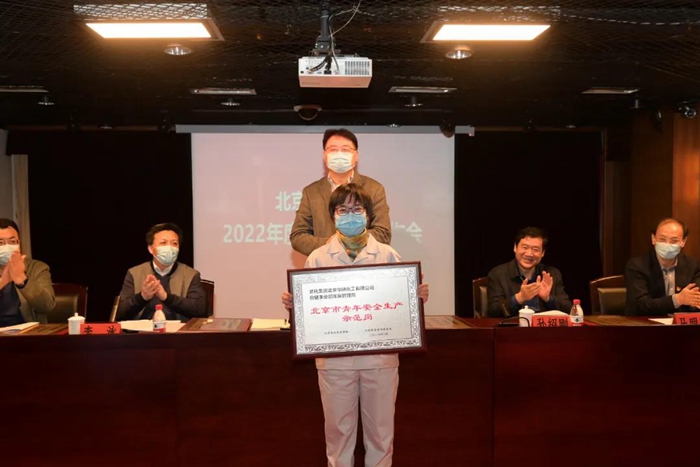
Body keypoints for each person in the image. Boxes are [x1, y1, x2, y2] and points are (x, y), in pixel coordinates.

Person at [282, 183, 428, 467]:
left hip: (380, 360)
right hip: (335, 362)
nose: (350, 216)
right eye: (343, 210)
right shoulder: (318, 257)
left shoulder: (387, 254)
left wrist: (416, 296)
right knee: (338, 437)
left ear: (368, 215)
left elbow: (401, 307)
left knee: (381, 436)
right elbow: (310, 312)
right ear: (333, 216)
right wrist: (295, 304)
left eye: (357, 209)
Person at [290, 128, 392, 256]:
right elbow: (298, 236)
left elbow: (383, 233)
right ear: (324, 156)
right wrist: (330, 244)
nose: (339, 154)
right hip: (326, 262)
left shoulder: (374, 189)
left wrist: (349, 241)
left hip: (365, 262)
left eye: (345, 150)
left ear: (356, 155)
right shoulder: (311, 192)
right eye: (333, 150)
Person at [117, 222, 206, 322]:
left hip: (177, 331)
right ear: (151, 249)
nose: (169, 248)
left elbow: (199, 309)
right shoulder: (134, 273)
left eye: (174, 243)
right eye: (163, 243)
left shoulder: (191, 274)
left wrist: (166, 297)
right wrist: (142, 297)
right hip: (142, 331)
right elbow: (120, 312)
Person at [487, 226, 571, 318]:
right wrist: (520, 298)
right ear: (515, 247)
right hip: (514, 326)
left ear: (543, 253)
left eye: (535, 249)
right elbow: (493, 311)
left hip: (543, 326)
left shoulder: (552, 273)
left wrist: (548, 298)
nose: (529, 254)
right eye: (525, 247)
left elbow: (569, 309)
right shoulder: (498, 274)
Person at [625, 218, 700, 316]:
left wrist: (693, 302)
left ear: (683, 242)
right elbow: (640, 305)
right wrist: (677, 300)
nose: (667, 244)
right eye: (662, 239)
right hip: (646, 323)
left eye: (674, 241)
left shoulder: (692, 265)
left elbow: (695, 301)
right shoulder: (637, 265)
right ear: (653, 239)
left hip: (680, 324)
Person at [0, 218, 55, 325]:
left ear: (19, 243)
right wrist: (3, 282)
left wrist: (22, 280)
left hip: (28, 331)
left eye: (12, 241)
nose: (7, 246)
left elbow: (47, 306)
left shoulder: (37, 268)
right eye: (0, 242)